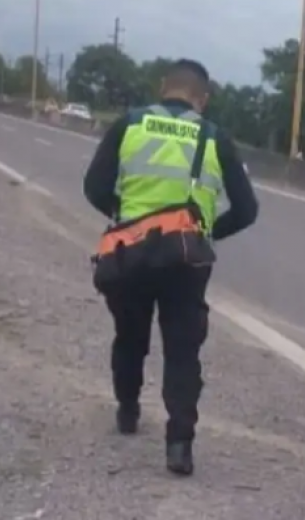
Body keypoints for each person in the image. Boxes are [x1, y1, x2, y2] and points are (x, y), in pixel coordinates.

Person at [82, 58, 259, 476]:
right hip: (186, 256)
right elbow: (248, 210)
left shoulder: (130, 124)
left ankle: (127, 410)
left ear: (164, 88)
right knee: (182, 349)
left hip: (130, 251)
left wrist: (126, 217)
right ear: (203, 99)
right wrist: (205, 230)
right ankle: (179, 446)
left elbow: (93, 186)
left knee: (129, 335)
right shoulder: (214, 137)